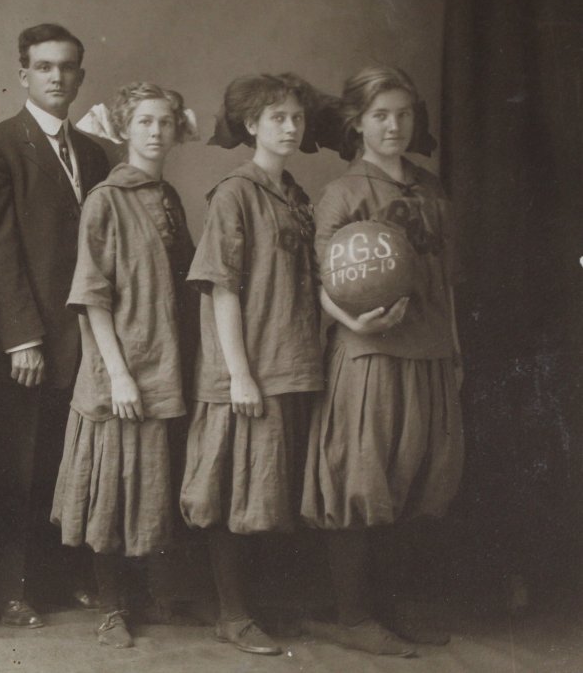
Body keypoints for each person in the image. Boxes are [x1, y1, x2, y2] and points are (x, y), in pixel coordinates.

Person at [301, 66, 463, 657]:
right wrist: (350, 320)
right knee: (361, 478)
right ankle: (351, 616)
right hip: (368, 356)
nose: (394, 126)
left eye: (404, 114)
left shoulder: (431, 190)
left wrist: (455, 353)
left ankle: (393, 606)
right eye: (380, 115)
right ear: (357, 124)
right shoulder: (344, 193)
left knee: (419, 478)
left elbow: (446, 285)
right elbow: (319, 279)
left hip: (429, 354)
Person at [0, 22, 110, 627]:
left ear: (80, 75)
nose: (57, 77)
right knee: (20, 464)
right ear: (23, 74)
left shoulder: (96, 152)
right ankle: (11, 587)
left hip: (84, 335)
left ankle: (56, 578)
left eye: (67, 67)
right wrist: (21, 336)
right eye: (44, 66)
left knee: (67, 458)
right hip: (26, 335)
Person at [179, 74, 325, 656]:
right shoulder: (235, 193)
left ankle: (253, 607)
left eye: (296, 117)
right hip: (247, 367)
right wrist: (239, 372)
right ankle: (232, 613)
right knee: (231, 489)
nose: (289, 127)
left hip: (289, 361)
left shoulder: (295, 195)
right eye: (276, 118)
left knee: (267, 491)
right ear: (250, 126)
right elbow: (221, 289)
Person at [51, 82, 196, 648]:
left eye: (164, 122)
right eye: (144, 122)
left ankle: (146, 596)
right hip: (121, 367)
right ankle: (110, 606)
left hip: (163, 362)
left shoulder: (168, 198)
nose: (156, 132)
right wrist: (117, 374)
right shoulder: (105, 200)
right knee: (112, 489)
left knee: (149, 486)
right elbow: (92, 295)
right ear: (124, 130)